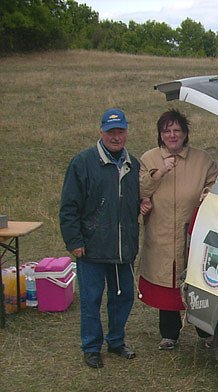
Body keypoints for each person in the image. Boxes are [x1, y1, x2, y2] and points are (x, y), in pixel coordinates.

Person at [60, 108, 140, 368]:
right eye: (110, 132)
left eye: (120, 131)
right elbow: (69, 207)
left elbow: (133, 202)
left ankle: (116, 341)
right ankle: (91, 347)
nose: (116, 137)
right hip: (91, 248)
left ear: (126, 132)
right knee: (91, 300)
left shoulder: (133, 164)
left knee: (123, 296)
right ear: (101, 132)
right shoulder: (82, 163)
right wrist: (75, 241)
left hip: (122, 248)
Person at [138, 109, 217, 350]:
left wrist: (207, 195)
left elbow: (214, 186)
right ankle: (169, 334)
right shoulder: (149, 159)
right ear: (160, 135)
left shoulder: (203, 160)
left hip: (193, 234)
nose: (172, 135)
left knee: (197, 282)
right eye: (167, 131)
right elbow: (140, 190)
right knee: (166, 280)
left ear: (185, 134)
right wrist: (160, 171)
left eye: (177, 130)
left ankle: (206, 333)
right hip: (161, 233)